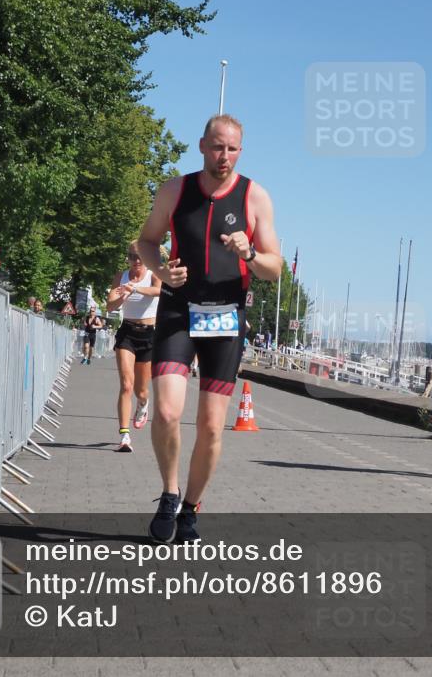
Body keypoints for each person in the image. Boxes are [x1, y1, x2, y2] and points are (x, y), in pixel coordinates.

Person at [137, 114, 280, 542]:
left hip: (225, 317)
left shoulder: (255, 197)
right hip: (179, 310)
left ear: (241, 150)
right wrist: (161, 270)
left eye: (232, 148)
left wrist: (250, 252)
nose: (224, 156)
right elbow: (146, 240)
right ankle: (168, 491)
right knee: (165, 411)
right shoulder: (175, 190)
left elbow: (274, 269)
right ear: (202, 145)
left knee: (213, 427)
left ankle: (191, 507)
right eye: (217, 147)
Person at [106, 241, 162, 453]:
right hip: (127, 333)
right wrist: (123, 296)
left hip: (148, 335)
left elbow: (159, 291)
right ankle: (124, 435)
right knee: (126, 385)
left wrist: (137, 288)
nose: (135, 261)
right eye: (131, 257)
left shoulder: (153, 273)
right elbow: (109, 304)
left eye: (139, 257)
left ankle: (143, 404)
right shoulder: (121, 277)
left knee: (141, 390)